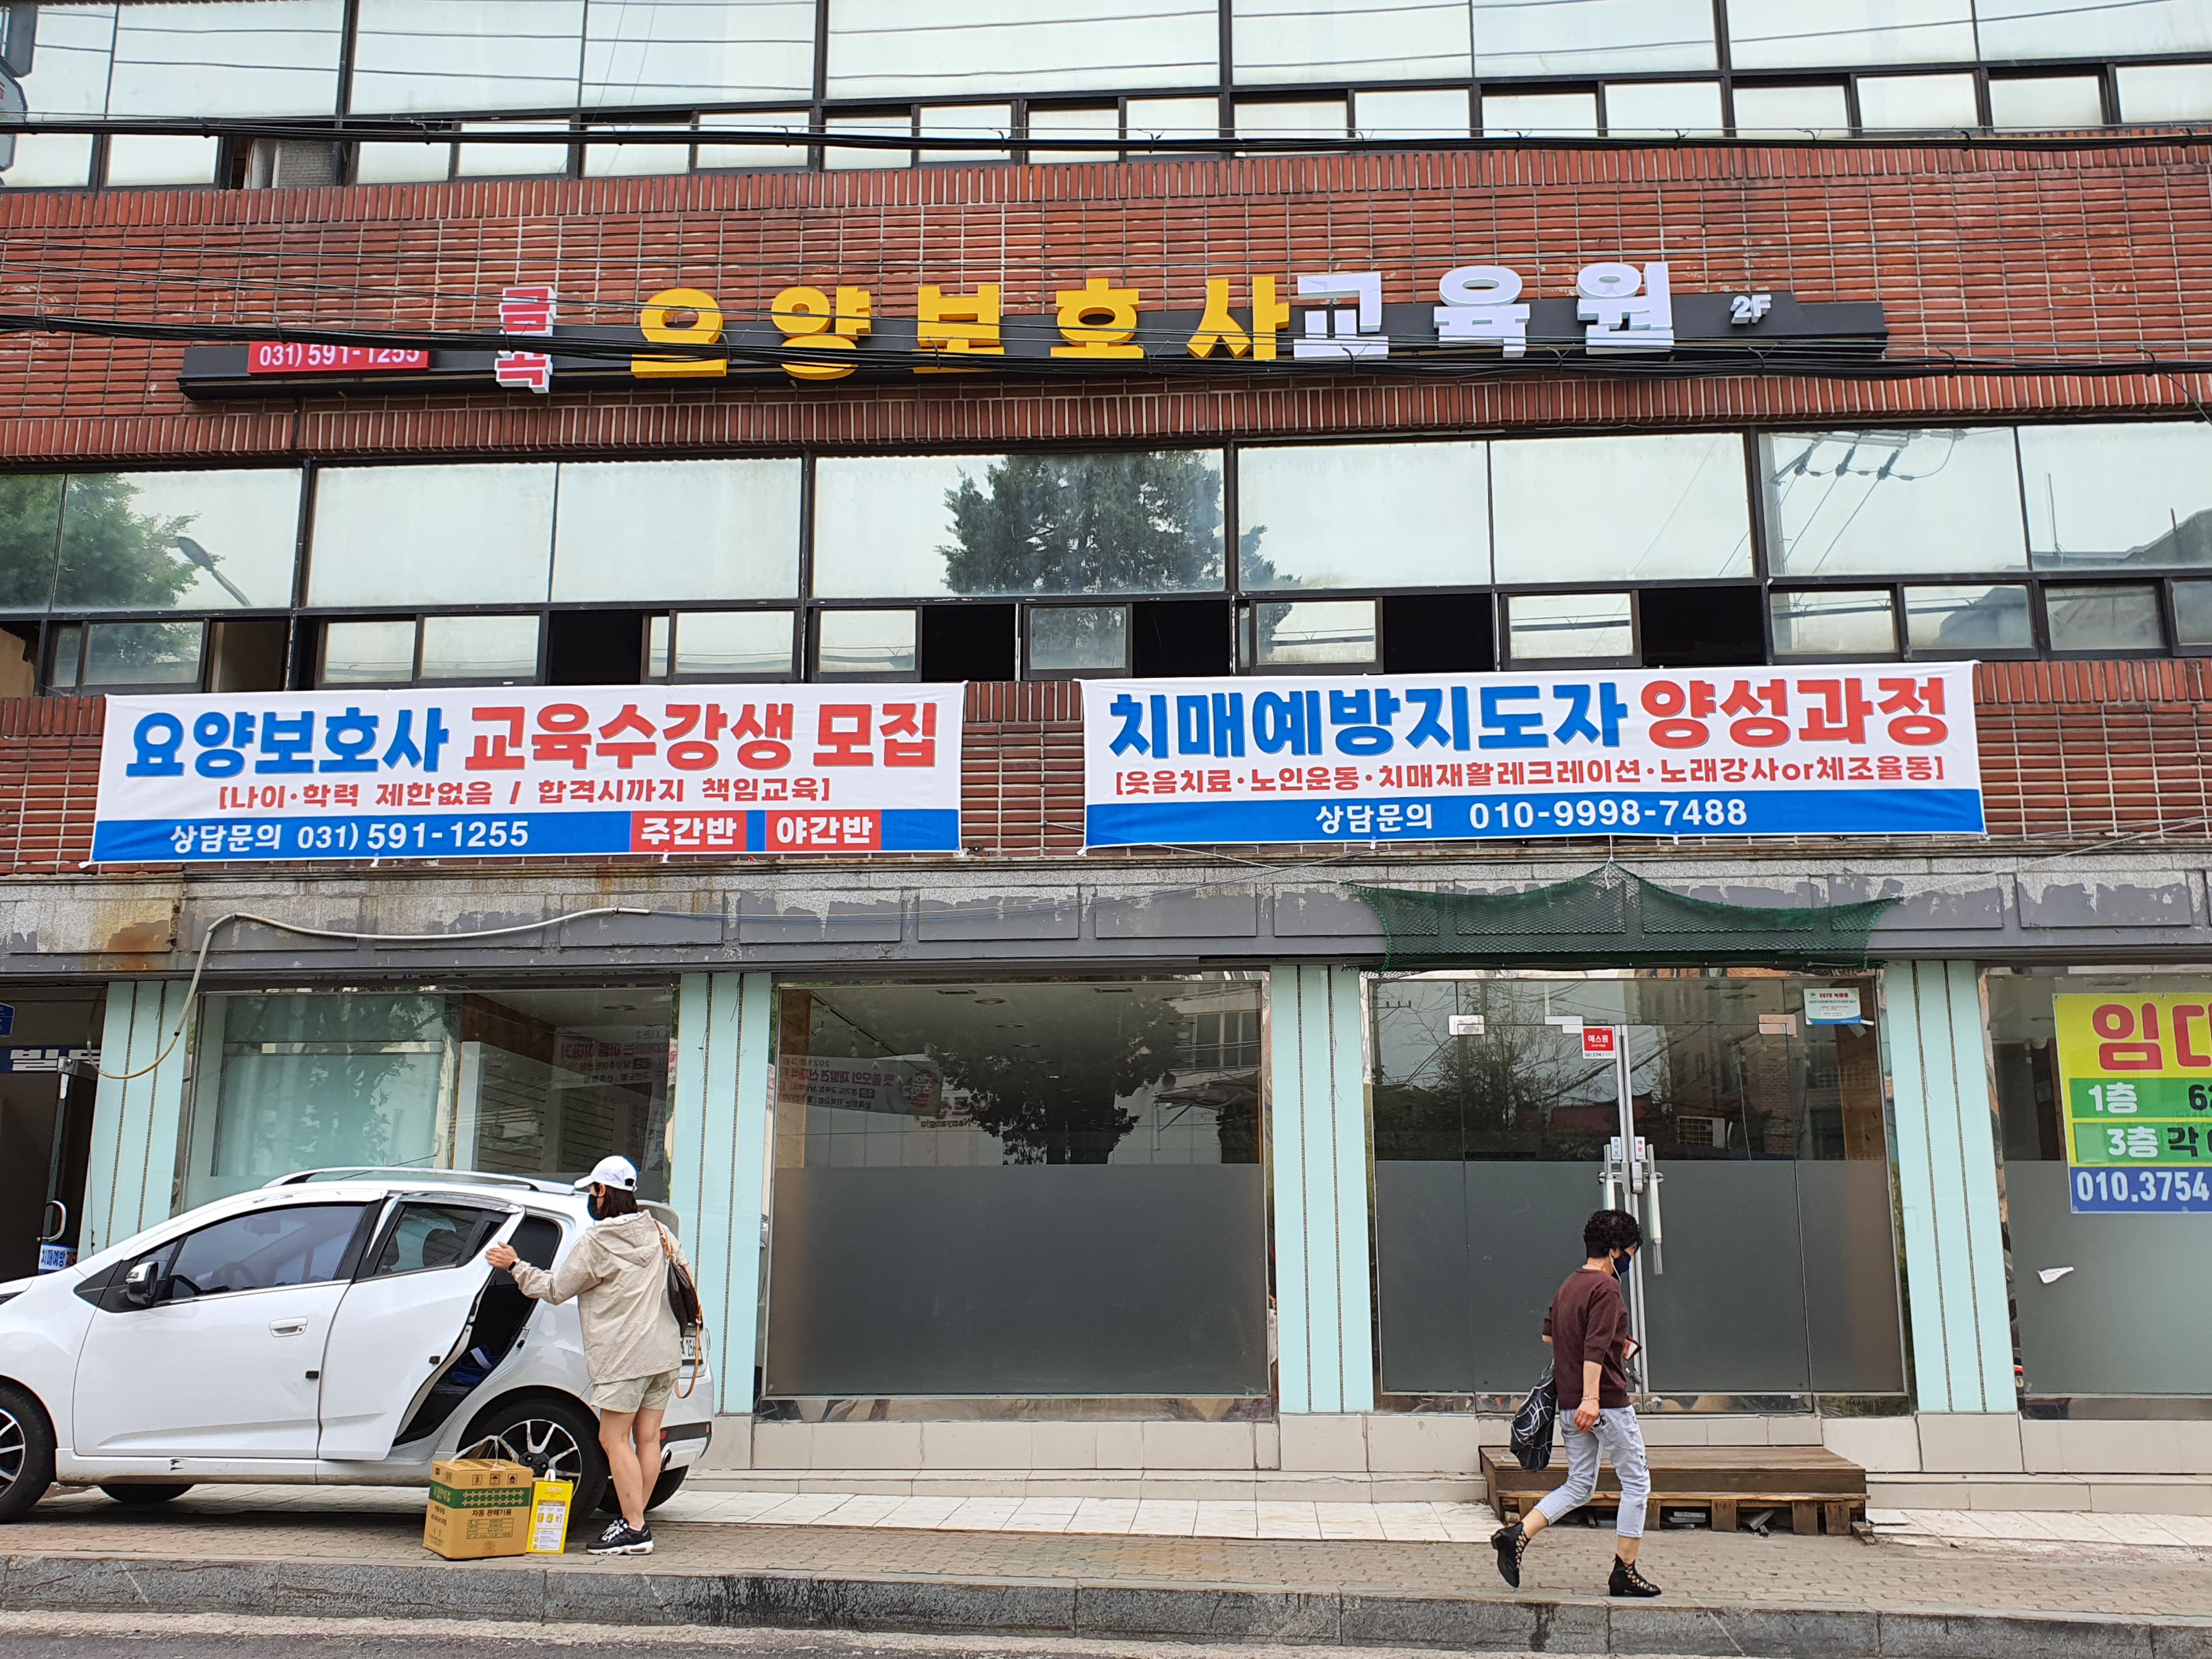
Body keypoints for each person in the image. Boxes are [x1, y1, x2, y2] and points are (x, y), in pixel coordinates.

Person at [486, 1154, 691, 1557]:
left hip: (624, 1358)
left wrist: (515, 1266)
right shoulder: (660, 1232)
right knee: (648, 1438)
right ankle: (634, 1521)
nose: (590, 1198)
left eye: (592, 1191)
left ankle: (635, 1528)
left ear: (602, 1191)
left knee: (612, 1438)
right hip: (664, 1353)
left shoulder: (598, 1242)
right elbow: (684, 1278)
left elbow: (556, 1288)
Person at [1491, 1207, 1660, 1599]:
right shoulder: (1606, 1288)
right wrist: (1592, 1397)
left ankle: (1517, 1535)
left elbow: (1551, 1338)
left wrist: (1610, 1348)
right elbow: (1594, 1349)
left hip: (1570, 1405)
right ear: (1615, 1250)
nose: (1629, 1261)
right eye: (1629, 1254)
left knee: (1580, 1484)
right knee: (1637, 1482)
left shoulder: (1569, 1285)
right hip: (1604, 1403)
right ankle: (1625, 1571)